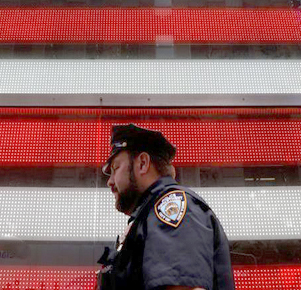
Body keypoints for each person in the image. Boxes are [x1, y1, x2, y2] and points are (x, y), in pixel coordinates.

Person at [96, 124, 235, 290]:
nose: (110, 182)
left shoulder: (170, 207)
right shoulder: (147, 218)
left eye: (115, 168)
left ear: (142, 164)